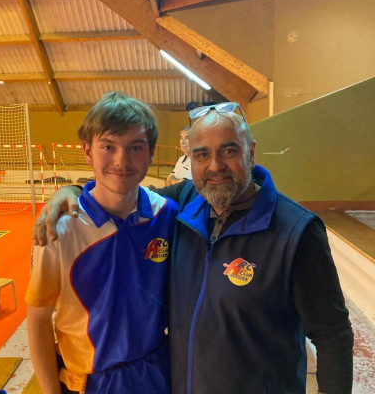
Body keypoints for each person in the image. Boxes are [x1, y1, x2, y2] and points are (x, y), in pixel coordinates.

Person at [33, 102, 353, 394]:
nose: (215, 166)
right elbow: (121, 194)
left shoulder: (297, 231)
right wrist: (72, 191)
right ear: (191, 160)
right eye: (202, 154)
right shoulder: (185, 204)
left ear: (251, 153)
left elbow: (333, 335)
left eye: (229, 151)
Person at [26, 91, 178, 394]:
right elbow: (39, 319)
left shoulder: (168, 215)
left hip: (155, 374)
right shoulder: (60, 230)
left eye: (135, 147)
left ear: (151, 153)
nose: (122, 160)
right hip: (89, 383)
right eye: (108, 147)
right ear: (87, 151)